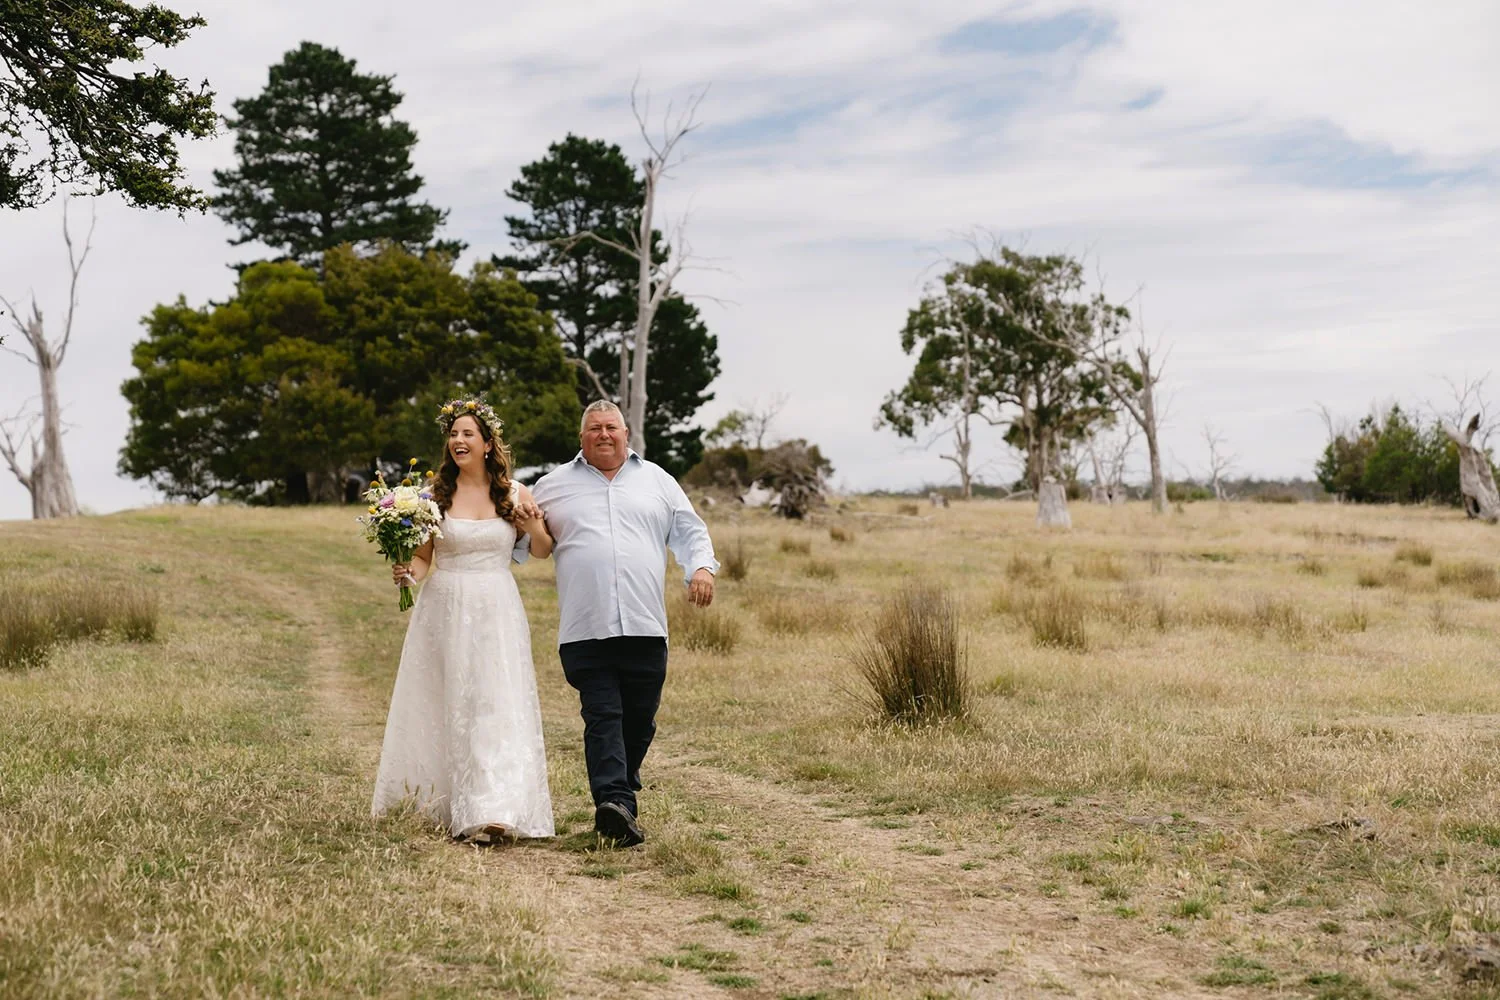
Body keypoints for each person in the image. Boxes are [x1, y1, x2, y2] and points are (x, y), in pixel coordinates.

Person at [526, 400, 717, 847]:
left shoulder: (657, 481)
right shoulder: (552, 486)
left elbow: (690, 530)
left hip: (645, 624)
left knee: (640, 719)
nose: (604, 435)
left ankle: (621, 794)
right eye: (594, 429)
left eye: (612, 427)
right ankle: (612, 803)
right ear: (581, 438)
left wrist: (701, 569)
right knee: (603, 715)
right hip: (585, 626)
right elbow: (522, 537)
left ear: (626, 434)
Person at [371, 399, 555, 842]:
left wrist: (532, 527)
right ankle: (440, 801)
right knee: (446, 699)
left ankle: (492, 809)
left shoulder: (515, 494)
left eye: (468, 434)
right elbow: (422, 560)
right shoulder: (434, 497)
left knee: (493, 701)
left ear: (489, 444)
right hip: (445, 605)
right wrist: (407, 575)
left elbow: (545, 549)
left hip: (496, 605)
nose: (458, 441)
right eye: (453, 434)